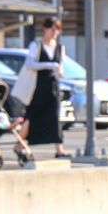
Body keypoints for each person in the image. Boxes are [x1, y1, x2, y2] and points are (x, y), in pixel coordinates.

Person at [23, 17, 72, 158]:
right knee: (32, 115)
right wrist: (49, 65)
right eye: (53, 28)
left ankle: (59, 148)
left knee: (55, 116)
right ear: (45, 29)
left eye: (57, 29)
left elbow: (60, 67)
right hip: (37, 85)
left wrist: (60, 73)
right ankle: (20, 143)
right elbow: (30, 64)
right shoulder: (36, 45)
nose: (55, 32)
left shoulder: (60, 48)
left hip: (53, 86)